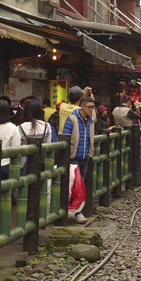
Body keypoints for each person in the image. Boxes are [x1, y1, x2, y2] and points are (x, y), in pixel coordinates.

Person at [61, 93, 95, 223]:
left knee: (81, 186)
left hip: (85, 157)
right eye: (89, 107)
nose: (91, 110)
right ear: (82, 106)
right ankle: (75, 212)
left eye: (93, 107)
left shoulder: (90, 121)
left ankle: (77, 211)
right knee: (74, 186)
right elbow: (66, 135)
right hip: (74, 157)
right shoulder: (72, 119)